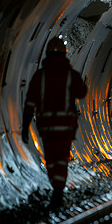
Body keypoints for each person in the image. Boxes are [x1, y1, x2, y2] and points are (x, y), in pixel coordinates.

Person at [22, 36, 88, 207]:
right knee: (61, 159)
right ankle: (58, 189)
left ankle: (56, 188)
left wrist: (25, 126)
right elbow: (82, 93)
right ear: (65, 54)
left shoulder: (40, 75)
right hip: (66, 126)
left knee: (51, 159)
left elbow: (30, 102)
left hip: (47, 127)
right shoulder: (71, 74)